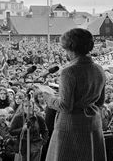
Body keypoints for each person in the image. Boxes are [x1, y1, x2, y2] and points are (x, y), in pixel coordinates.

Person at [43, 28, 107, 161]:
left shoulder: (69, 71)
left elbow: (65, 106)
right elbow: (100, 102)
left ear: (70, 47)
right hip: (93, 124)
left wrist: (48, 97)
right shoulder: (99, 69)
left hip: (71, 128)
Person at [9, 96, 48, 161]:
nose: (28, 108)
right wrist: (22, 129)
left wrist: (43, 142)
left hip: (35, 146)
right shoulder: (18, 118)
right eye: (26, 106)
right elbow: (11, 131)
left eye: (30, 106)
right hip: (23, 145)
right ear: (23, 107)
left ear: (33, 107)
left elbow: (45, 131)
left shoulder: (39, 118)